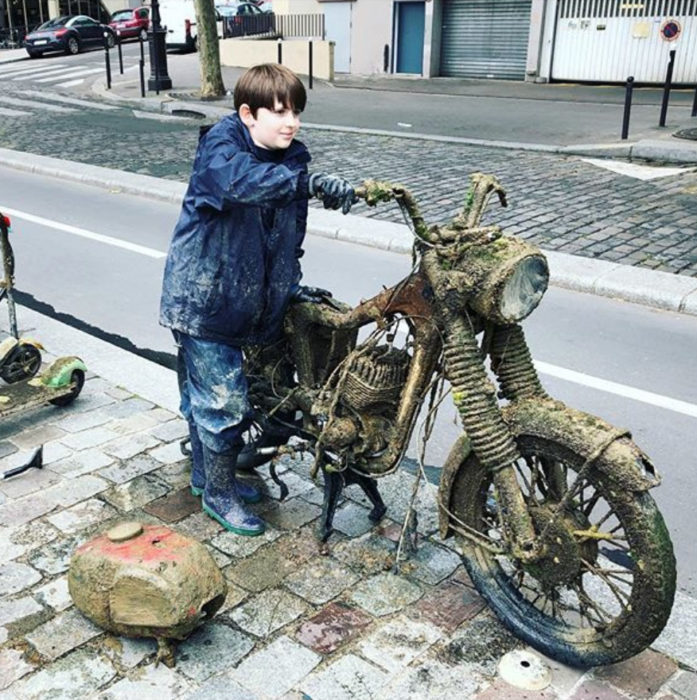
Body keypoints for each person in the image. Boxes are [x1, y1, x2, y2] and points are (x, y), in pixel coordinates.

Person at [160, 64, 356, 537]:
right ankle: (220, 495)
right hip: (204, 301)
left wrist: (289, 284)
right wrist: (304, 184)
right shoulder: (220, 150)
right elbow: (236, 183)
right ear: (248, 114)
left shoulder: (291, 159)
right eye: (279, 112)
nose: (291, 122)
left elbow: (290, 238)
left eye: (296, 112)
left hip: (247, 302)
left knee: (209, 397)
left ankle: (208, 475)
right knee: (222, 404)